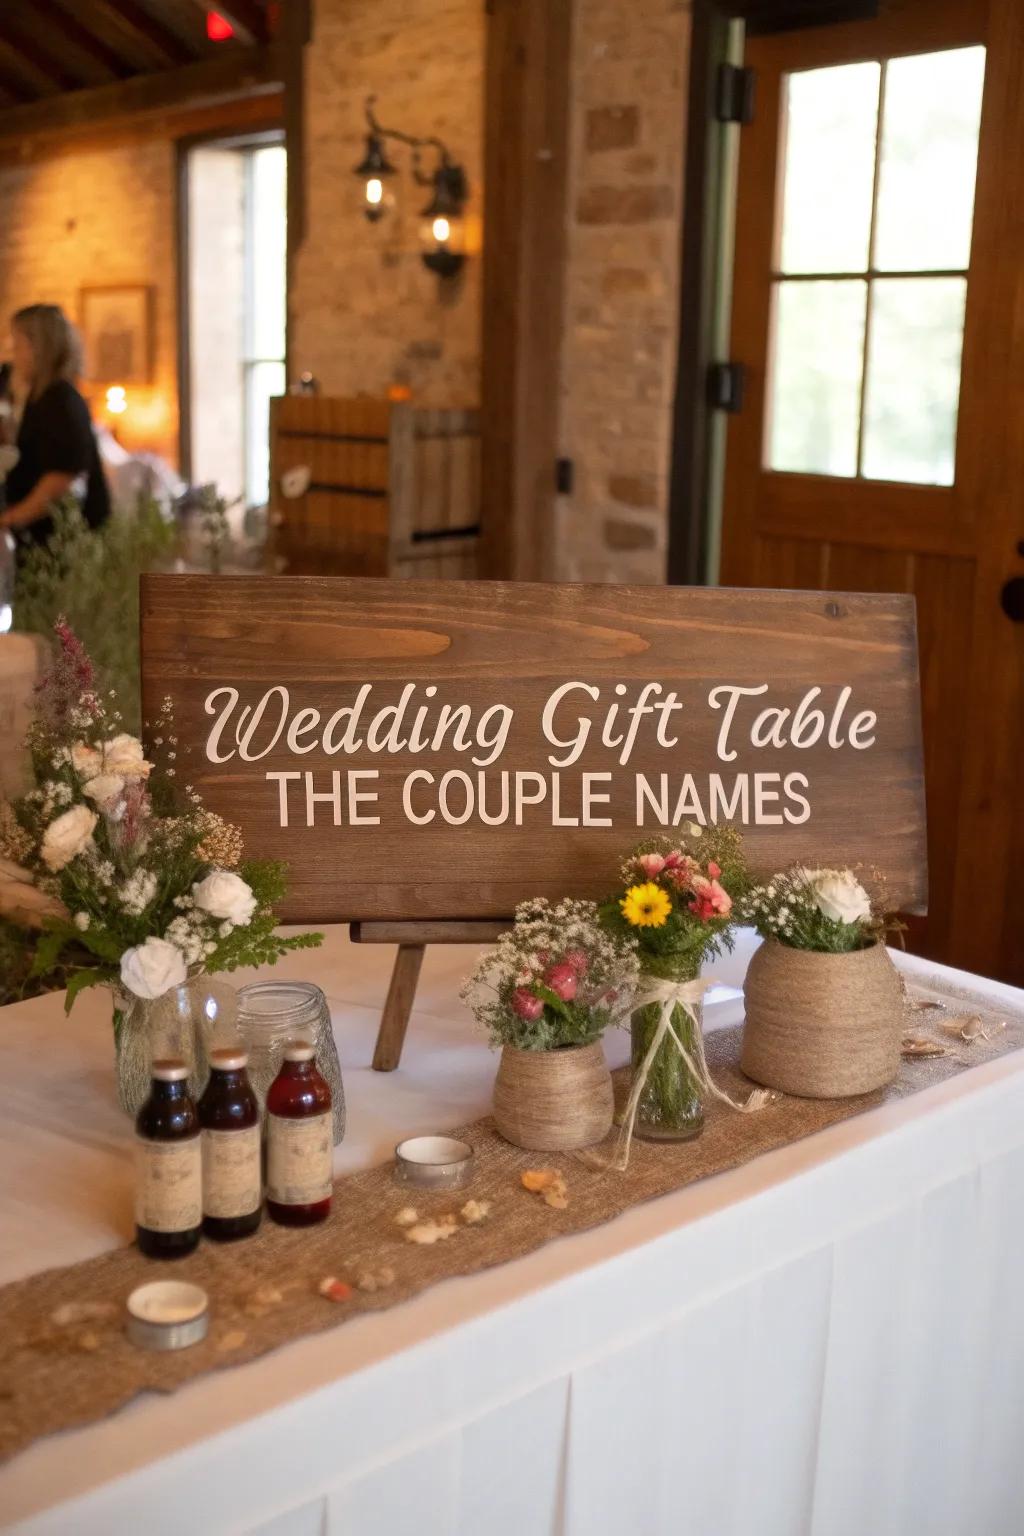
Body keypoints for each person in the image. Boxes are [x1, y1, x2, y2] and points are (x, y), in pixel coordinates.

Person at [0, 304, 111, 551]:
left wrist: (9, 519)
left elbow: (59, 481)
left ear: (38, 349)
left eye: (18, 344)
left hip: (60, 544)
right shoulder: (38, 397)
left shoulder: (60, 401)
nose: (12, 352)